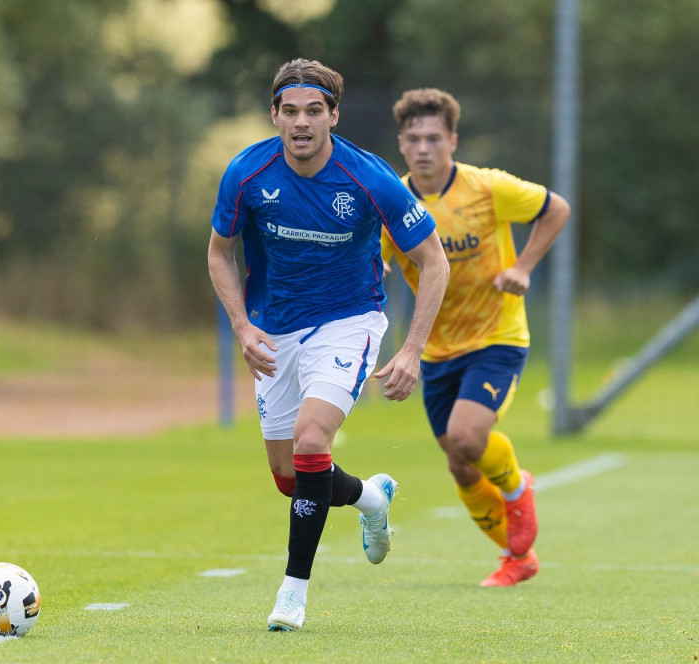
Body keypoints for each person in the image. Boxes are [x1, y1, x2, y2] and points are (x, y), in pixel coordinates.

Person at [208, 60, 450, 631]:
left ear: (333, 116)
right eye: (289, 111)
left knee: (312, 441)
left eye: (314, 111)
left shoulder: (369, 178)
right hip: (274, 331)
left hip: (348, 322)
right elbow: (219, 251)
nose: (301, 123)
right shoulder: (247, 173)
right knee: (290, 478)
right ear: (274, 115)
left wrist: (412, 348)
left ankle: (292, 595)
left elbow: (434, 260)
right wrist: (243, 327)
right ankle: (370, 497)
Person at [381, 88, 570, 587]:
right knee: (460, 466)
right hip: (436, 347)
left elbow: (557, 209)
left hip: (497, 337)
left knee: (467, 438)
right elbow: (374, 264)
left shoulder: (488, 188)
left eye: (434, 138)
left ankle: (515, 488)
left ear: (453, 141)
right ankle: (517, 558)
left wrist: (523, 267)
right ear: (401, 143)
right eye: (415, 138)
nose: (424, 148)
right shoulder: (390, 202)